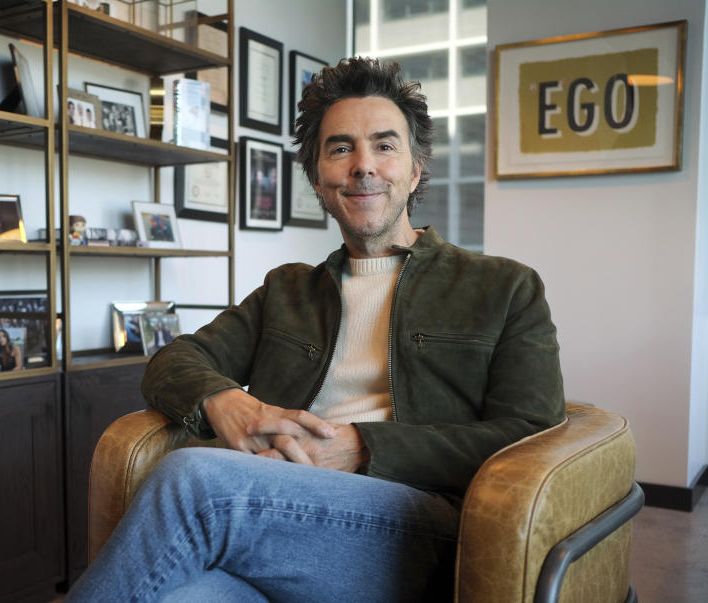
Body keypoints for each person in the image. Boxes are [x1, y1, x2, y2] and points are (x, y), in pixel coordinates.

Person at [66, 57, 565, 602]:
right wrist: (231, 404)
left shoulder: (503, 287)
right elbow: (175, 359)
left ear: (416, 169)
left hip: (416, 527)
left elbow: (530, 431)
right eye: (341, 147)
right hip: (280, 515)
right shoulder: (288, 291)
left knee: (193, 481)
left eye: (384, 145)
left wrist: (362, 447)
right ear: (318, 180)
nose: (363, 166)